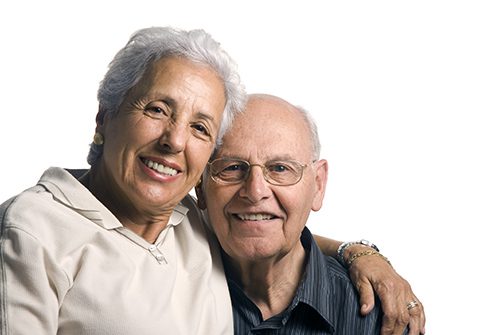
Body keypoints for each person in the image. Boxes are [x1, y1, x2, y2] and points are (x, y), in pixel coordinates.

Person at [0, 27, 423, 334]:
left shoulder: (188, 218)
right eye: (157, 109)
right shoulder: (33, 229)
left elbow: (271, 226)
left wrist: (361, 253)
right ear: (105, 117)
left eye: (200, 127)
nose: (174, 140)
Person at [196, 94, 423, 334]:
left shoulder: (381, 316)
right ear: (200, 185)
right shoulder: (169, 288)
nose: (255, 191)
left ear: (318, 184)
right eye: (232, 167)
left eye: (280, 168)